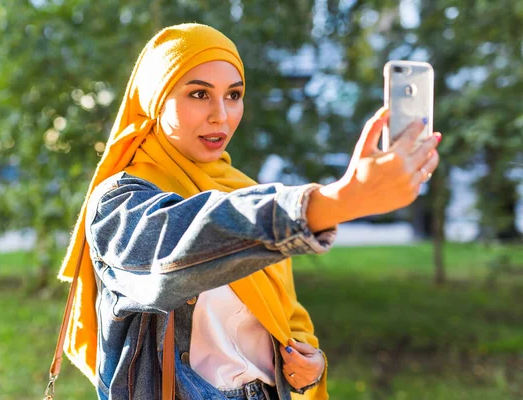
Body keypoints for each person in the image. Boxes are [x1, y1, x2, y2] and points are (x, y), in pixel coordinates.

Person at [57, 23, 441, 400]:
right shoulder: (119, 201)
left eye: (234, 94)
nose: (221, 116)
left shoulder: (245, 190)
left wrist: (309, 364)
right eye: (198, 94)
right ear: (156, 98)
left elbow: (285, 316)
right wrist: (335, 202)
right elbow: (177, 248)